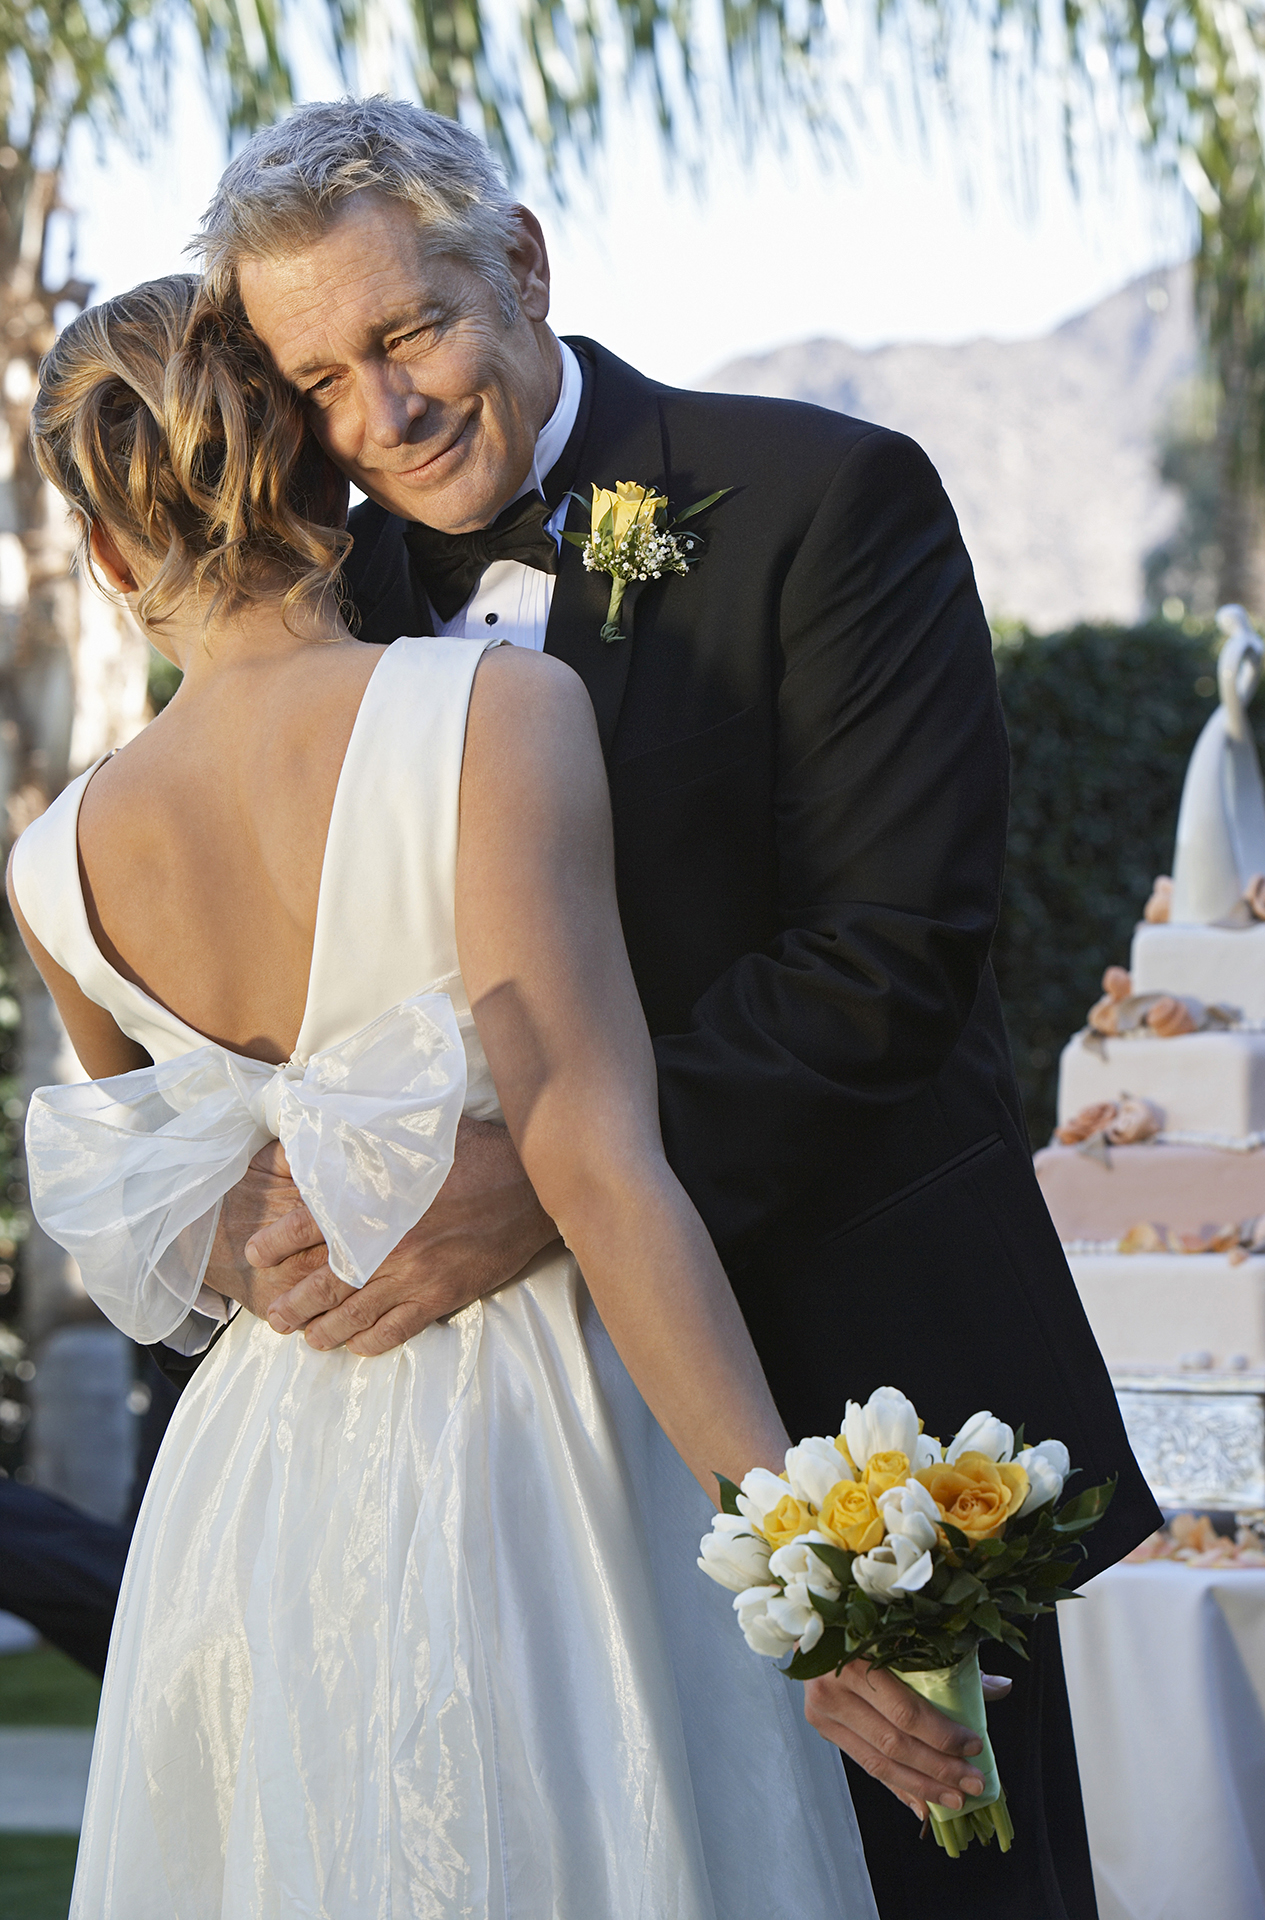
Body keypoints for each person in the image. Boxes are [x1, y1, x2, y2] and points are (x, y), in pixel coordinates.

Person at [185, 97, 1162, 1920]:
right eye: (317, 378)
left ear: (525, 267)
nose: (378, 417)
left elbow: (894, 960)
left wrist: (541, 1178)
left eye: (408, 335)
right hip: (513, 1456)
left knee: (950, 1885)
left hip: (861, 1395)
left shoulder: (823, 499)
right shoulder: (325, 614)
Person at [11, 276, 877, 1917]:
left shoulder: (54, 867)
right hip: (547, 1446)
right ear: (326, 474)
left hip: (254, 1500)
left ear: (114, 559)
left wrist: (270, 1231)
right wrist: (814, 1576)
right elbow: (607, 1176)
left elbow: (178, 1223)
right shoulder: (494, 713)